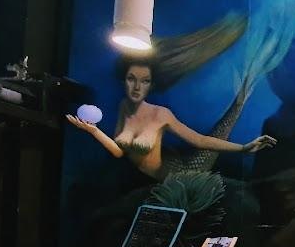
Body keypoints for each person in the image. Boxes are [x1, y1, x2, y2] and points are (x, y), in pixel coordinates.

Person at [66, 60, 276, 180]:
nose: (137, 87)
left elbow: (200, 141)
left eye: (144, 81)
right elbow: (119, 151)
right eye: (131, 79)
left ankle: (239, 102)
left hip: (177, 175)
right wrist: (94, 131)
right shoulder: (123, 107)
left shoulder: (161, 114)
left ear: (151, 85)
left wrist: (243, 148)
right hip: (140, 179)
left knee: (219, 133)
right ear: (124, 82)